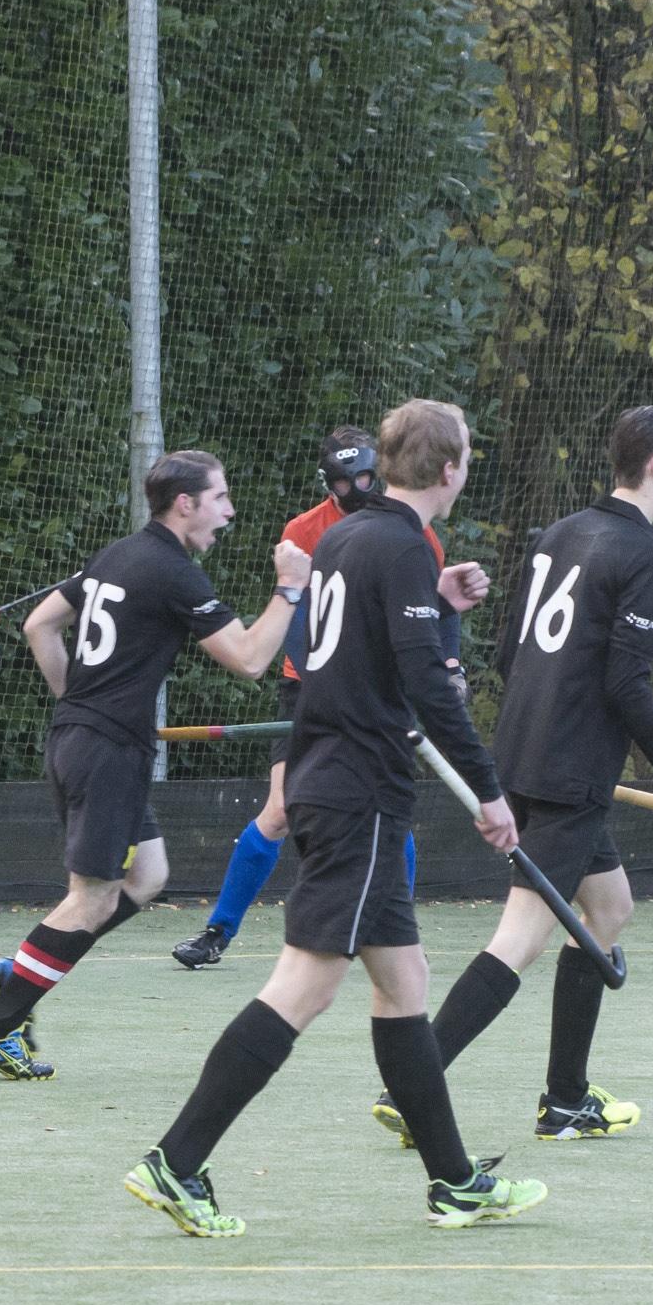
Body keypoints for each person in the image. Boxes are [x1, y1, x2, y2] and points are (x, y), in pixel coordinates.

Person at [125, 400, 546, 1235]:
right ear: (451, 469)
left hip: (332, 777)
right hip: (358, 792)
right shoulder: (401, 543)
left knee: (404, 984)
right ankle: (176, 1161)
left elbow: (370, 641)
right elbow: (428, 684)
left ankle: (455, 1182)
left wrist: (437, 599)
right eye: (467, 457)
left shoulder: (350, 537)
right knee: (304, 987)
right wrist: (490, 793)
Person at [376, 405, 653, 1147]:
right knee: (520, 937)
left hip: (523, 755)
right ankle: (413, 1087)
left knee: (608, 910)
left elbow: (512, 653)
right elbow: (626, 685)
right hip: (571, 773)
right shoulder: (646, 557)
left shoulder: (560, 533)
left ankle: (566, 1099)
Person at [0, 452, 310, 1077]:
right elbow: (252, 659)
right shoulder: (174, 573)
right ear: (185, 504)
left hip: (84, 740)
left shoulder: (117, 554)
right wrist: (289, 589)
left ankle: (26, 968)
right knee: (90, 900)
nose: (229, 512)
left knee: (147, 876)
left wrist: (76, 702)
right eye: (220, 498)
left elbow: (40, 625)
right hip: (107, 751)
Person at [170, 428, 487, 970]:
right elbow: (297, 615)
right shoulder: (303, 531)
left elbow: (433, 609)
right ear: (328, 482)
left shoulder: (416, 535)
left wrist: (450, 667)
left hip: (377, 691)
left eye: (365, 477)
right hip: (308, 686)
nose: (356, 490)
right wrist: (323, 679)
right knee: (279, 811)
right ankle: (218, 930)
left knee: (388, 811)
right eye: (344, 482)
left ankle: (397, 930)